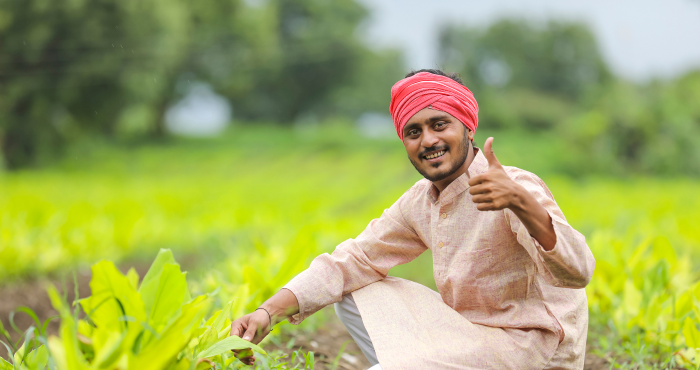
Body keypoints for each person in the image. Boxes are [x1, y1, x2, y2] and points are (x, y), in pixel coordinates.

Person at [230, 69, 596, 370]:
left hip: (531, 352)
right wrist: (269, 311)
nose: (428, 140)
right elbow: (354, 260)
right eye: (414, 131)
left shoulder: (510, 185)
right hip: (472, 335)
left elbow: (577, 272)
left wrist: (520, 202)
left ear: (468, 127)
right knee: (354, 290)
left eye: (440, 124)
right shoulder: (421, 201)